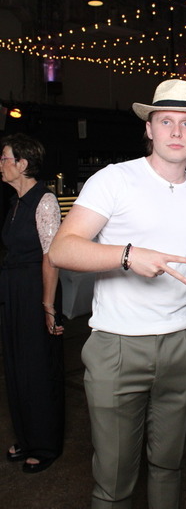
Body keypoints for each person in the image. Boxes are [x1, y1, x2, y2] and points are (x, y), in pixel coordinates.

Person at [49, 79, 186, 509]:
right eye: (165, 121)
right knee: (114, 479)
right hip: (118, 346)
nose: (176, 131)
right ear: (149, 128)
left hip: (183, 343)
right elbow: (62, 249)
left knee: (169, 466)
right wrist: (127, 255)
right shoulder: (115, 179)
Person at [0, 133, 64, 474]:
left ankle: (45, 443)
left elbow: (51, 258)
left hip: (36, 291)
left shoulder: (45, 200)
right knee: (16, 365)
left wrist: (48, 306)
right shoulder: (16, 202)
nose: (1, 164)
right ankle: (26, 437)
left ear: (22, 164)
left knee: (38, 368)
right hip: (13, 291)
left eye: (4, 158)